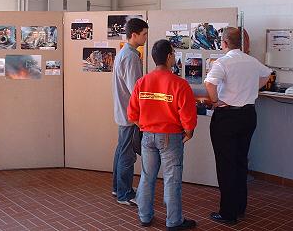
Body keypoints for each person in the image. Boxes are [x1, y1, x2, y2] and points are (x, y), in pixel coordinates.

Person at [128, 39, 198, 230]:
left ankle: (144, 216)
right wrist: (189, 132)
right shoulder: (180, 84)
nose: (174, 57)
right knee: (172, 178)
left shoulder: (142, 82)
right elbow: (187, 115)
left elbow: (132, 114)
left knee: (147, 176)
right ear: (168, 57)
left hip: (147, 136)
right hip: (171, 136)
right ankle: (174, 221)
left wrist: (145, 126)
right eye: (173, 54)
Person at [204, 27, 271, 225]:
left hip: (227, 117)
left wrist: (215, 101)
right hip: (248, 116)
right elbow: (267, 74)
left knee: (226, 165)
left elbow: (210, 84)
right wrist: (251, 88)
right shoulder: (251, 61)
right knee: (241, 161)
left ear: (224, 43)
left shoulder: (223, 62)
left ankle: (227, 213)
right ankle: (240, 207)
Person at [112, 18, 148, 206]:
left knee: (121, 150)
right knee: (127, 154)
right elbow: (136, 90)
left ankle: (117, 188)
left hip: (123, 111)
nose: (146, 37)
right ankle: (124, 194)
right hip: (130, 114)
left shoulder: (124, 53)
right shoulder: (131, 56)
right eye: (144, 34)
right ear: (134, 35)